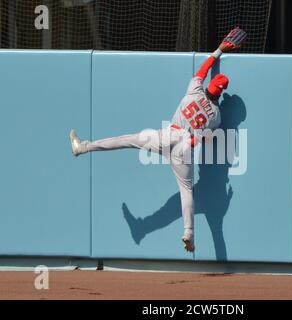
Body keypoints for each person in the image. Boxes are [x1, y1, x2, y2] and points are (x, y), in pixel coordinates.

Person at [69, 41, 238, 253]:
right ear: (220, 95)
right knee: (187, 192)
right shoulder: (217, 117)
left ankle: (82, 147)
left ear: (209, 87)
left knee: (128, 140)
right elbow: (203, 139)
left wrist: (219, 49)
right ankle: (188, 232)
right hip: (185, 147)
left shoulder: (194, 90)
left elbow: (204, 69)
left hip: (169, 135)